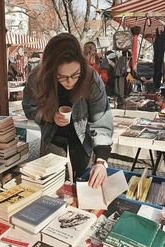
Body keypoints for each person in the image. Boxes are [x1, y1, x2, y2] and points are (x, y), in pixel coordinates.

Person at [22, 33, 113, 188]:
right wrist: (49, 116)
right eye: (62, 77)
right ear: (50, 72)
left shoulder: (91, 78)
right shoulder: (37, 78)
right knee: (51, 187)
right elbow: (29, 107)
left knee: (81, 187)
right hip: (52, 140)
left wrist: (101, 161)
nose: (70, 81)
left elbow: (101, 122)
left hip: (81, 142)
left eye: (75, 74)